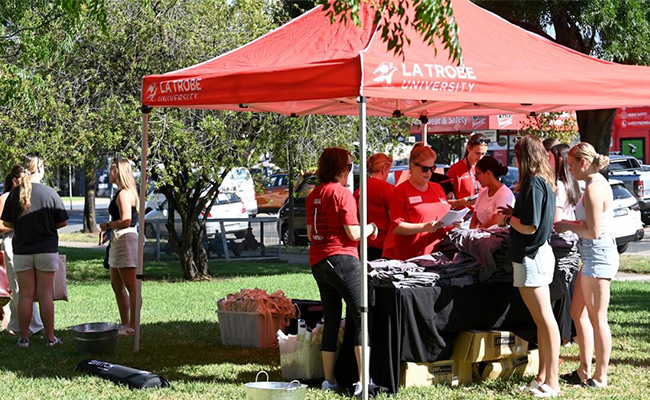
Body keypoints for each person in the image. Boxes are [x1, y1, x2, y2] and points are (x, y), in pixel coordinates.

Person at [306, 148, 378, 396]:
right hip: (343, 260)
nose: (350, 170)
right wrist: (371, 228)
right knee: (361, 316)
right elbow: (353, 233)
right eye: (349, 165)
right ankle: (363, 382)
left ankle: (329, 380)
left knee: (332, 319)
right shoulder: (342, 193)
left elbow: (309, 233)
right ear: (340, 168)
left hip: (319, 262)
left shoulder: (313, 195)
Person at [497, 135, 560, 397]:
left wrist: (508, 219)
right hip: (536, 255)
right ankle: (543, 377)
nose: (513, 157)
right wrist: (514, 215)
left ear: (524, 156)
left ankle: (552, 383)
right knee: (541, 321)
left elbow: (530, 225)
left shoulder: (534, 183)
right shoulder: (543, 181)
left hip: (531, 256)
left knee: (545, 321)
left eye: (516, 153)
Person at [554, 142, 618, 389]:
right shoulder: (593, 184)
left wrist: (566, 224)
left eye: (570, 165)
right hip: (590, 256)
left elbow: (593, 230)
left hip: (598, 256)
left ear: (583, 162)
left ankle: (600, 378)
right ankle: (584, 370)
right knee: (577, 312)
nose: (569, 170)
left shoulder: (594, 189)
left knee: (598, 318)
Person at [1, 154, 68, 348]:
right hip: (46, 249)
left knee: (25, 294)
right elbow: (62, 221)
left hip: (21, 251)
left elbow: (6, 223)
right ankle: (50, 337)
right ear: (39, 169)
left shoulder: (14, 194)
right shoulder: (50, 193)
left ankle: (24, 338)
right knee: (46, 294)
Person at [382, 143, 457, 260]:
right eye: (425, 169)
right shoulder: (401, 191)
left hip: (437, 255)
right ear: (412, 166)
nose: (429, 173)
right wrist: (424, 227)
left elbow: (443, 221)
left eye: (432, 168)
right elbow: (397, 227)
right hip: (410, 259)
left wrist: (454, 223)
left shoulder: (437, 188)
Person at [0, 166, 45, 336]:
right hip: (11, 242)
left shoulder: (25, 196)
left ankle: (15, 325)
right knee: (19, 285)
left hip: (26, 242)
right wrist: (17, 223)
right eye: (24, 177)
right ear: (14, 180)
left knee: (23, 285)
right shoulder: (5, 198)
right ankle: (34, 325)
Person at [100, 158, 140, 336]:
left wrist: (107, 225)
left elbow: (126, 221)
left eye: (113, 170)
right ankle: (125, 323)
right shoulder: (124, 192)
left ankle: (132, 325)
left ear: (121, 172)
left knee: (131, 285)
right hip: (119, 240)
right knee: (117, 285)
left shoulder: (124, 194)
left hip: (125, 240)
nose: (110, 173)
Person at [354, 153, 394, 261]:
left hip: (362, 245)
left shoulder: (358, 190)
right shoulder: (387, 189)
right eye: (388, 171)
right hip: (382, 247)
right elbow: (395, 221)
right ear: (384, 168)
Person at [469, 156, 514, 228]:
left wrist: (477, 230)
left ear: (488, 173)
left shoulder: (505, 194)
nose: (476, 179)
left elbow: (495, 221)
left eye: (477, 174)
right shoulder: (482, 195)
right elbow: (473, 221)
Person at [446, 133, 489, 205]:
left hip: (483, 213)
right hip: (464, 214)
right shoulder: (455, 169)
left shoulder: (486, 168)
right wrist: (460, 203)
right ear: (469, 148)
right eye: (477, 153)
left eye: (483, 154)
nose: (480, 157)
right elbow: (446, 201)